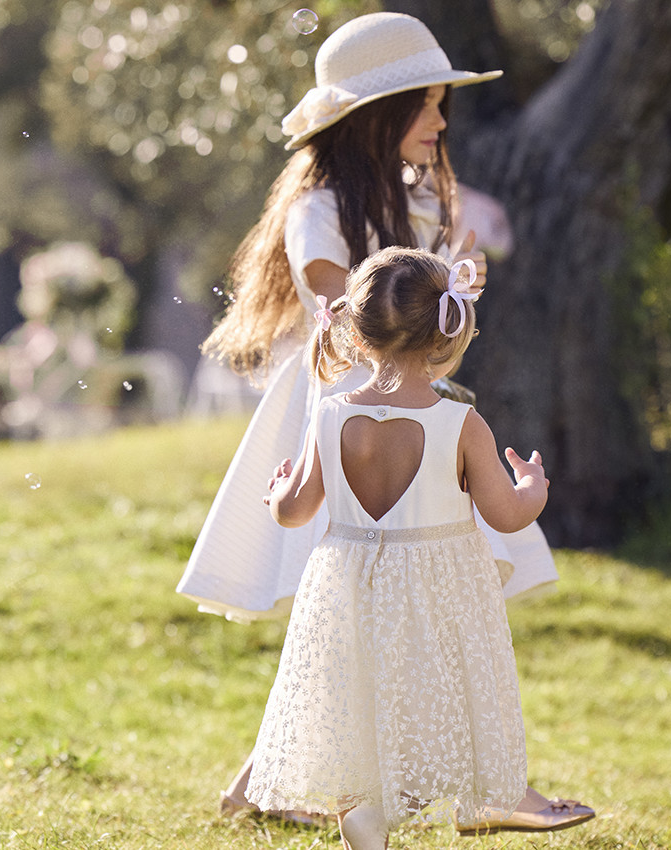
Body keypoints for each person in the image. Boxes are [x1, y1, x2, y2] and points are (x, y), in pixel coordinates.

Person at [177, 11, 593, 834]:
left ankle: (299, 780)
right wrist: (433, 295)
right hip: (343, 418)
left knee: (386, 612)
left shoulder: (407, 204)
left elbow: (415, 315)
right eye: (428, 105)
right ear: (380, 115)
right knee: (356, 614)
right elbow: (343, 310)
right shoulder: (320, 210)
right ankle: (433, 783)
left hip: (404, 416)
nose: (441, 123)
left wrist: (454, 287)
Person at [246, 246, 544, 849]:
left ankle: (367, 824)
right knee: (428, 704)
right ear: (446, 330)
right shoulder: (460, 424)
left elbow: (295, 509)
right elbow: (507, 517)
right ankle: (408, 797)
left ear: (358, 331)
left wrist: (277, 491)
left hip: (350, 586)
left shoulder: (329, 416)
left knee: (358, 712)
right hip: (438, 595)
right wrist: (532, 487)